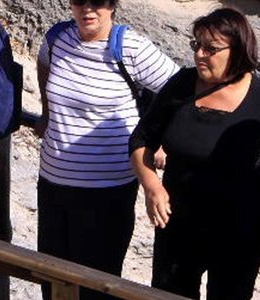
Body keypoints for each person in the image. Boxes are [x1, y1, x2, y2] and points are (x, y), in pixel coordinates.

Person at [129, 8, 260, 299]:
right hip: (178, 225)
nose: (200, 54)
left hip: (238, 231)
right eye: (196, 45)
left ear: (238, 50)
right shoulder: (181, 85)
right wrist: (151, 186)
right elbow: (141, 139)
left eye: (211, 48)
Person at [34, 0, 179, 298]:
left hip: (106, 190)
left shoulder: (131, 48)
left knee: (96, 288)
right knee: (52, 281)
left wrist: (160, 140)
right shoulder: (57, 38)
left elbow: (180, 90)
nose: (87, 9)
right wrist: (47, 113)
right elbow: (44, 64)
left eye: (97, 2)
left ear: (112, 5)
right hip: (53, 183)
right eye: (79, 1)